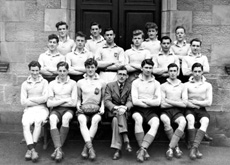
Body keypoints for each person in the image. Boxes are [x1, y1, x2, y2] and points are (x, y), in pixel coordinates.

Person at [47, 61, 77, 162]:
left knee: (65, 119)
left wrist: (57, 101)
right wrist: (64, 100)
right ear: (57, 71)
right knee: (52, 119)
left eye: (64, 71)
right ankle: (59, 149)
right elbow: (49, 103)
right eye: (60, 71)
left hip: (68, 109)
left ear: (68, 71)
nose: (62, 73)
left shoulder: (73, 83)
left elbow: (73, 103)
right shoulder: (52, 84)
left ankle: (57, 149)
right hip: (56, 110)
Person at [131, 59, 161, 162]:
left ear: (153, 69)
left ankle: (142, 149)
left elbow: (157, 102)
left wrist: (143, 100)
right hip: (138, 110)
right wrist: (150, 100)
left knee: (156, 123)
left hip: (151, 111)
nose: (148, 70)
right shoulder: (135, 82)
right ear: (142, 68)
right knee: (138, 119)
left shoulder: (156, 83)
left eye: (150, 68)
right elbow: (135, 101)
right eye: (146, 67)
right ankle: (143, 149)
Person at [77, 58, 106, 161]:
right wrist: (78, 107)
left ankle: (86, 149)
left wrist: (102, 108)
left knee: (95, 120)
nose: (90, 69)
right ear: (85, 68)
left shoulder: (101, 82)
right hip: (84, 108)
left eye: (92, 67)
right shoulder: (80, 82)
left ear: (96, 68)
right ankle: (91, 149)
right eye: (88, 67)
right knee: (82, 120)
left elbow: (103, 98)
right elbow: (78, 99)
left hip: (96, 109)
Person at [21, 61, 49, 162]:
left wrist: (31, 101)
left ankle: (30, 150)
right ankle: (32, 150)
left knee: (38, 122)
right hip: (29, 110)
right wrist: (38, 101)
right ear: (29, 70)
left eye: (37, 70)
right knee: (25, 124)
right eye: (33, 70)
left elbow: (45, 99)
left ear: (39, 70)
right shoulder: (25, 84)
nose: (35, 73)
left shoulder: (45, 82)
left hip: (42, 109)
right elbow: (23, 102)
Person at [184, 63, 212, 160]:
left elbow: (209, 102)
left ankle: (194, 148)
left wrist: (196, 102)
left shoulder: (207, 85)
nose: (197, 74)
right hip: (189, 109)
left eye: (199, 71)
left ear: (202, 72)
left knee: (205, 121)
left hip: (201, 110)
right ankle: (195, 148)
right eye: (195, 71)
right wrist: (195, 104)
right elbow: (184, 101)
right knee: (190, 119)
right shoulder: (186, 85)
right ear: (192, 72)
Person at [104, 66, 133, 160]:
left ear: (127, 76)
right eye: (120, 74)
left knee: (116, 120)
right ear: (117, 75)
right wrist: (116, 107)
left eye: (124, 74)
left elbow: (130, 100)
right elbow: (107, 101)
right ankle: (126, 140)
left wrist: (125, 108)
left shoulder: (130, 86)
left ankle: (117, 149)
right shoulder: (110, 85)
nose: (122, 76)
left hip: (124, 112)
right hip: (113, 111)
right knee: (117, 115)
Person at [160, 63, 187, 160]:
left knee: (183, 122)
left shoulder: (182, 86)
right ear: (168, 72)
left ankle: (170, 148)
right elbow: (162, 104)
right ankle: (176, 147)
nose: (172, 73)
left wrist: (169, 100)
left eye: (174, 71)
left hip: (178, 112)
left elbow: (184, 104)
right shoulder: (163, 86)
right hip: (165, 111)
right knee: (165, 120)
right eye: (170, 71)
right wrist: (177, 102)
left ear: (177, 72)